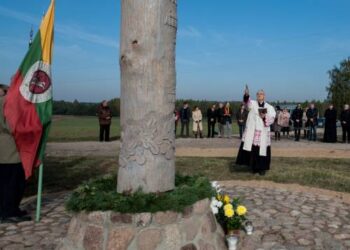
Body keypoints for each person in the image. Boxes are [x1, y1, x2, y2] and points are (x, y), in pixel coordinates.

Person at [0, 84, 30, 223]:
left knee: (7, 181)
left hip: (6, 149)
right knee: (13, 182)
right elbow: (11, 126)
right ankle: (8, 212)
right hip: (9, 149)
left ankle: (10, 209)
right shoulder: (5, 101)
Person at [236, 86, 276, 176]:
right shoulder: (253, 104)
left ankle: (262, 168)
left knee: (262, 151)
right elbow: (246, 104)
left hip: (263, 132)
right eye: (258, 94)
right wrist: (246, 95)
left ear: (264, 96)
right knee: (254, 150)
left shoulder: (269, 107)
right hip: (253, 132)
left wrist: (264, 117)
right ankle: (254, 167)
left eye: (261, 94)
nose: (259, 95)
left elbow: (272, 118)